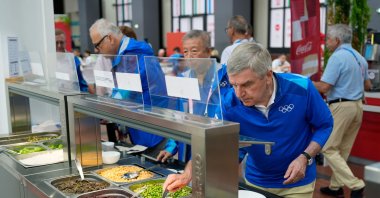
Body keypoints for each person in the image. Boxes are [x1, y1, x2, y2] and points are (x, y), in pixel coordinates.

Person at [164, 42, 333, 197]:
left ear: (267, 76)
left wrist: (305, 157)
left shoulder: (302, 88)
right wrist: (188, 173)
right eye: (234, 85)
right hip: (255, 183)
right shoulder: (229, 103)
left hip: (298, 184)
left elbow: (325, 125)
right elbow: (212, 143)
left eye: (246, 85)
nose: (239, 93)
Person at [89, 18, 167, 148]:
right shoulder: (124, 55)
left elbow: (124, 91)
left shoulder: (132, 55)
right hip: (142, 125)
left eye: (98, 45)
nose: (97, 50)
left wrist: (105, 109)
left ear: (110, 39)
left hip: (152, 129)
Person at [313, 24, 372, 198]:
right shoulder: (360, 58)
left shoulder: (337, 57)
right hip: (357, 107)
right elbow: (367, 85)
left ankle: (356, 184)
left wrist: (305, 82)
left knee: (328, 147)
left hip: (341, 106)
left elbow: (324, 87)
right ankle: (335, 186)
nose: (327, 43)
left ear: (337, 40)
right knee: (343, 149)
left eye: (328, 39)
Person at [157, 30, 221, 163]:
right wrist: (171, 147)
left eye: (194, 51)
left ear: (208, 52)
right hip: (189, 145)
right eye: (185, 52)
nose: (189, 56)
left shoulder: (221, 79)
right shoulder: (183, 78)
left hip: (214, 144)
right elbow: (178, 117)